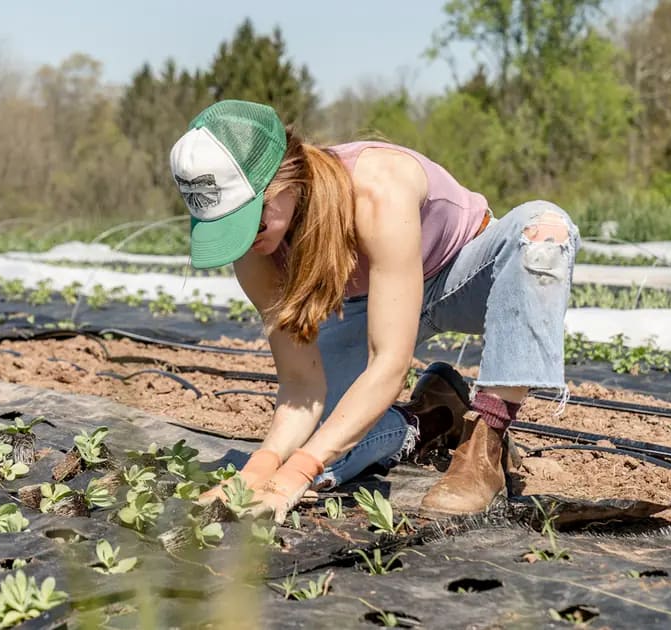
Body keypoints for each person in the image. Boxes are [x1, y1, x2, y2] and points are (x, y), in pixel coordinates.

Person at [169, 99, 579, 523]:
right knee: (321, 443)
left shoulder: (376, 188)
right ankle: (429, 418)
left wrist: (297, 473)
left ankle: (486, 443)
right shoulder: (255, 252)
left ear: (285, 178)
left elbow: (389, 363)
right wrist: (262, 469)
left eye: (250, 221)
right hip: (371, 303)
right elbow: (301, 385)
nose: (246, 240)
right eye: (226, 228)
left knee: (544, 232)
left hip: (462, 276)